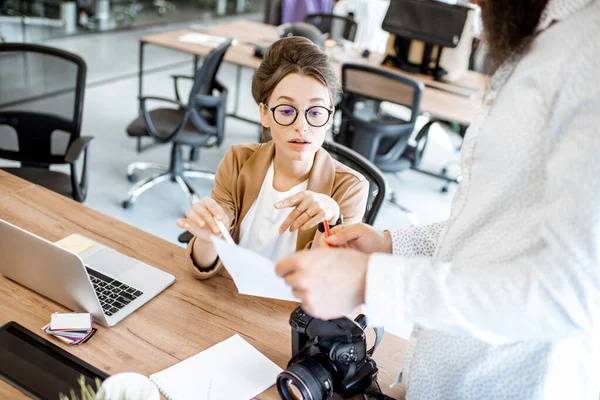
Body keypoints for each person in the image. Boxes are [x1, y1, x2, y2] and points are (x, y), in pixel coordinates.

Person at [275, 0, 600, 398]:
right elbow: (502, 223)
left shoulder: (589, 52)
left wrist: (371, 281)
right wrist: (393, 245)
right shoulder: (538, 35)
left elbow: (572, 292)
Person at [176, 36, 368, 279]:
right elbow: (203, 269)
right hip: (230, 298)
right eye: (287, 111)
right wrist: (209, 238)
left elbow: (326, 282)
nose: (301, 126)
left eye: (316, 112)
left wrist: (331, 221)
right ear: (264, 114)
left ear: (329, 118)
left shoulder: (350, 188)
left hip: (288, 313)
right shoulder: (238, 161)